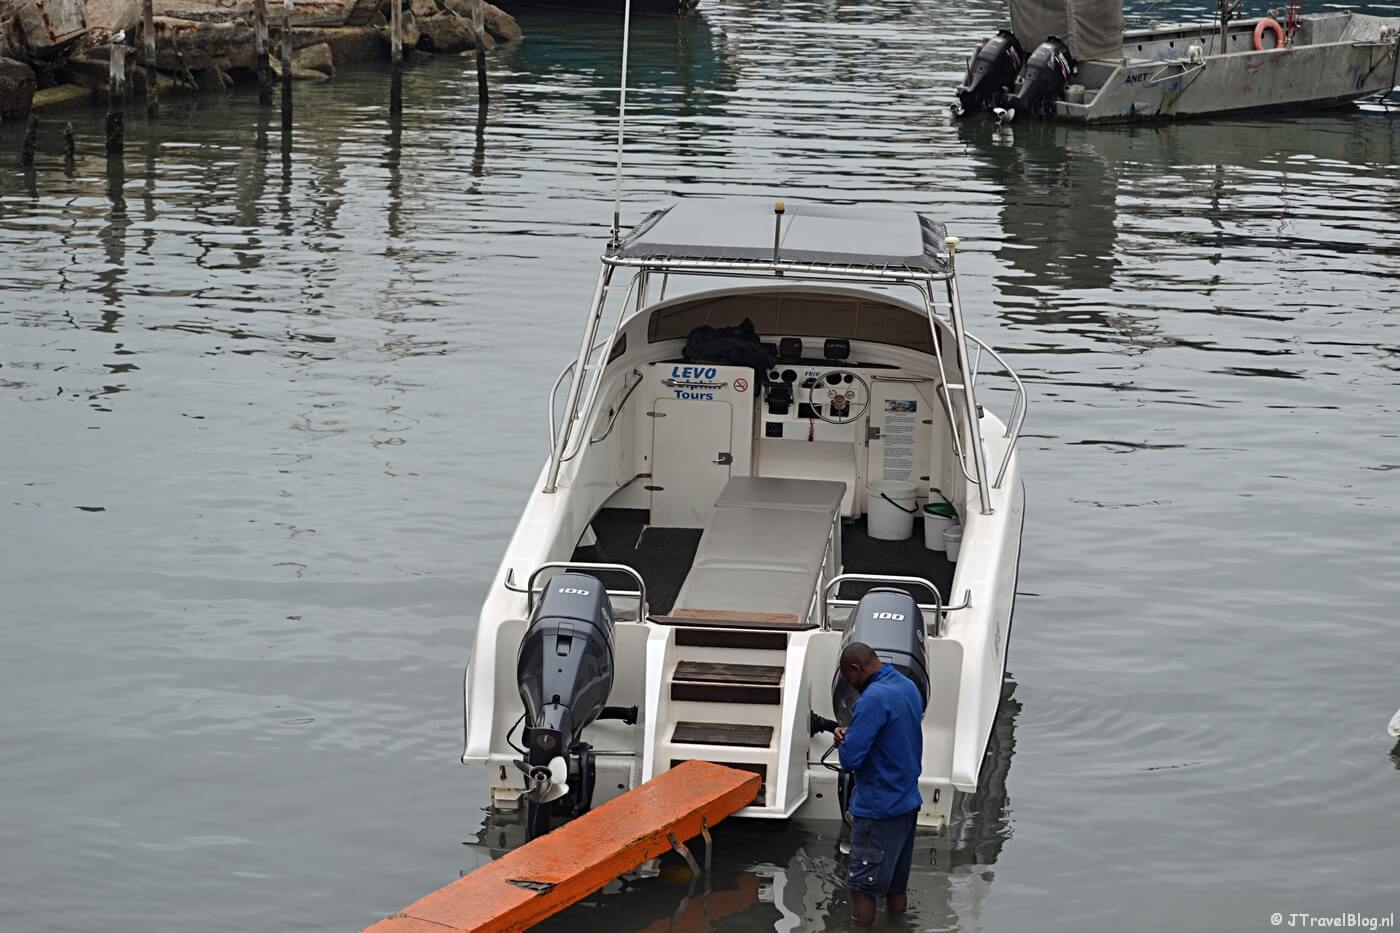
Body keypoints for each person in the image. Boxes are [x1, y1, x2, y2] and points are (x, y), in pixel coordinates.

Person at [833, 641, 924, 925]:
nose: (852, 686)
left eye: (850, 680)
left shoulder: (872, 700)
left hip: (877, 809)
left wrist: (843, 739)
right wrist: (860, 731)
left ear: (856, 669)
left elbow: (850, 761)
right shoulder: (908, 687)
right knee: (896, 888)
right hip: (907, 804)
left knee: (862, 889)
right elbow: (890, 735)